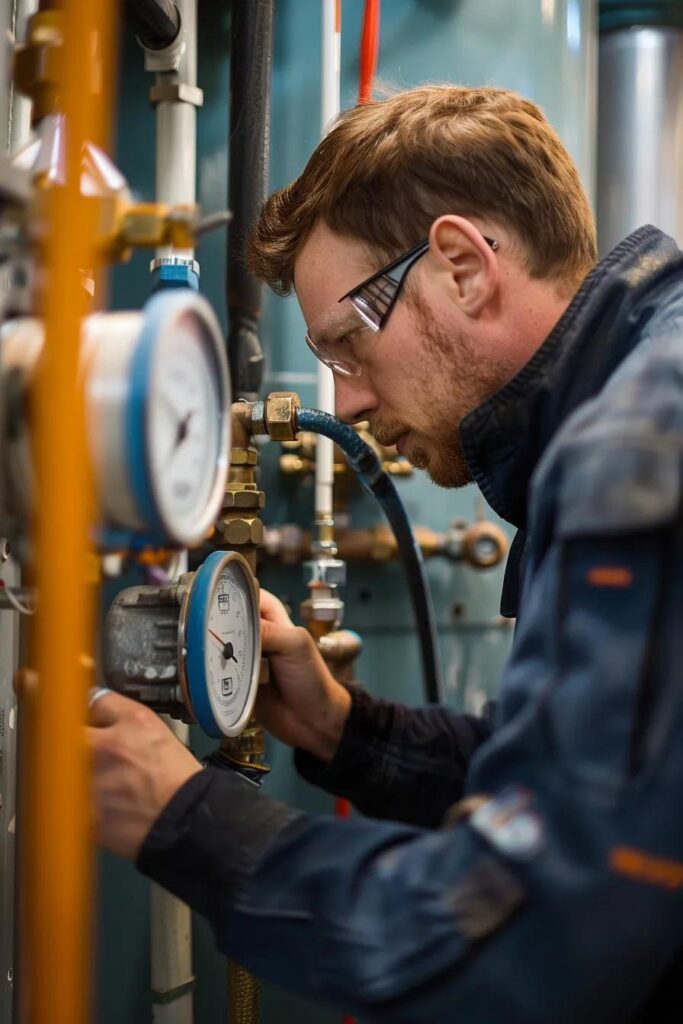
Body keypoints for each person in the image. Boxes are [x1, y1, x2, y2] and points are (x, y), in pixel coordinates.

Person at [89, 86, 683, 1022]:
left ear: (461, 265)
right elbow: (593, 794)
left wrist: (188, 821)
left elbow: (538, 944)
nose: (350, 403)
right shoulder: (637, 384)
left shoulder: (637, 445)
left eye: (348, 344)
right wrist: (342, 730)